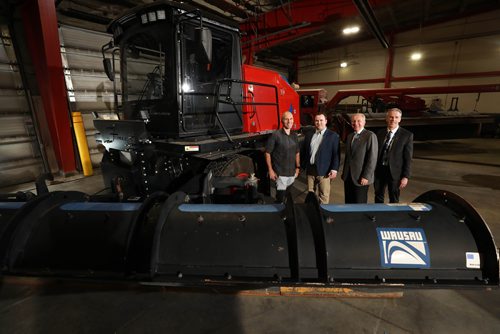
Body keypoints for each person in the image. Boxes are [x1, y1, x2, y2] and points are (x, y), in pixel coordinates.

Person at [374, 108, 413, 203]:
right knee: (378, 196)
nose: (393, 120)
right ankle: (378, 216)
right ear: (386, 118)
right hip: (379, 170)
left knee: (394, 198)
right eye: (391, 117)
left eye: (396, 117)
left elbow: (408, 158)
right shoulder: (380, 133)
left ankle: (393, 216)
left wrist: (405, 176)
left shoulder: (406, 135)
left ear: (400, 119)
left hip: (395, 173)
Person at [301, 113, 340, 204]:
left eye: (321, 120)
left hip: (325, 171)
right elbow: (304, 151)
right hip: (310, 170)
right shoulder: (309, 135)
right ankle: (312, 213)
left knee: (323, 196)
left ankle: (322, 215)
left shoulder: (332, 136)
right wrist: (302, 166)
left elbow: (336, 154)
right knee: (311, 194)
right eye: (317, 121)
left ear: (326, 121)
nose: (319, 123)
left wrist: (334, 169)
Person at [341, 113, 378, 203]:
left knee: (359, 203)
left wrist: (366, 176)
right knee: (348, 203)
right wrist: (344, 173)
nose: (356, 123)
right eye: (353, 121)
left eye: (359, 121)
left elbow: (372, 159)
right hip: (348, 177)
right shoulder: (350, 136)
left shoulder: (370, 136)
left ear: (364, 122)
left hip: (361, 177)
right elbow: (348, 157)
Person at [265, 111, 300, 202]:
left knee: (288, 199)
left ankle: (286, 215)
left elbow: (297, 153)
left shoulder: (294, 136)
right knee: (280, 199)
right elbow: (267, 153)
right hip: (280, 175)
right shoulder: (275, 135)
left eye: (291, 119)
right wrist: (270, 170)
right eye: (286, 119)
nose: (289, 121)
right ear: (282, 121)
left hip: (292, 174)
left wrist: (298, 167)